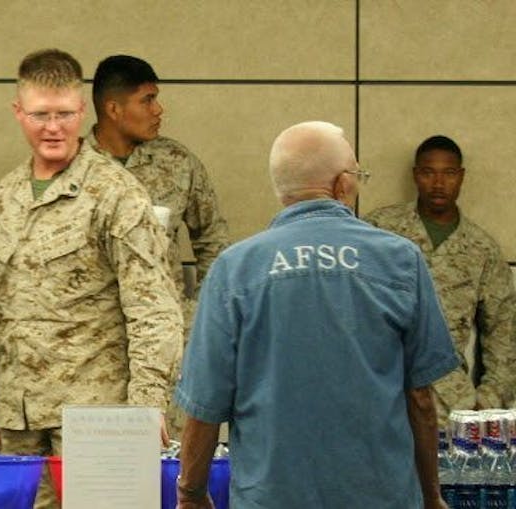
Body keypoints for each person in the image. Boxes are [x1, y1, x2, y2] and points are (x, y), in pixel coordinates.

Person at [174, 121, 457, 509]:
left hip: (272, 498)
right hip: (380, 496)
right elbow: (420, 398)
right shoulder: (399, 259)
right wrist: (431, 495)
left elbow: (205, 402)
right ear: (342, 184)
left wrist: (190, 493)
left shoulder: (235, 268)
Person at [0, 49, 183, 509]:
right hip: (19, 421)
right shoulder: (3, 199)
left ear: (83, 111)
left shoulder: (116, 194)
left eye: (64, 114)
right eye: (40, 114)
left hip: (95, 418)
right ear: (18, 113)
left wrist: (147, 408)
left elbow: (154, 310)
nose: (53, 127)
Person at [366, 135, 514, 418]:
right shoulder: (379, 231)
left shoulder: (482, 250)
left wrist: (487, 403)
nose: (438, 183)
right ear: (415, 175)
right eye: (427, 172)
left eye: (448, 173)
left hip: (449, 402)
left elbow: (503, 334)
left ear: (461, 177)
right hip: (380, 386)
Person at [87, 54, 229, 299]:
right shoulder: (74, 168)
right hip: (97, 331)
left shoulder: (177, 161)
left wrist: (199, 312)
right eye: (147, 100)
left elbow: (213, 240)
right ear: (113, 109)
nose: (158, 110)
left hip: (166, 327)